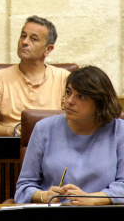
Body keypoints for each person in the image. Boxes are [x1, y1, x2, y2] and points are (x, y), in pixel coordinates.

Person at [15, 66, 124, 205]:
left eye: (81, 96)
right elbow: (24, 187)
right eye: (68, 92)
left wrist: (93, 199)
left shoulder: (119, 130)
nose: (69, 101)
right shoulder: (44, 129)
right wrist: (44, 195)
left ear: (100, 102)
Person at [0, 15, 70, 137]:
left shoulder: (64, 78)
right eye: (23, 36)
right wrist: (12, 132)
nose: (24, 42)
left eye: (33, 39)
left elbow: (72, 121)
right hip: (11, 147)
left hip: (51, 145)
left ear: (48, 49)